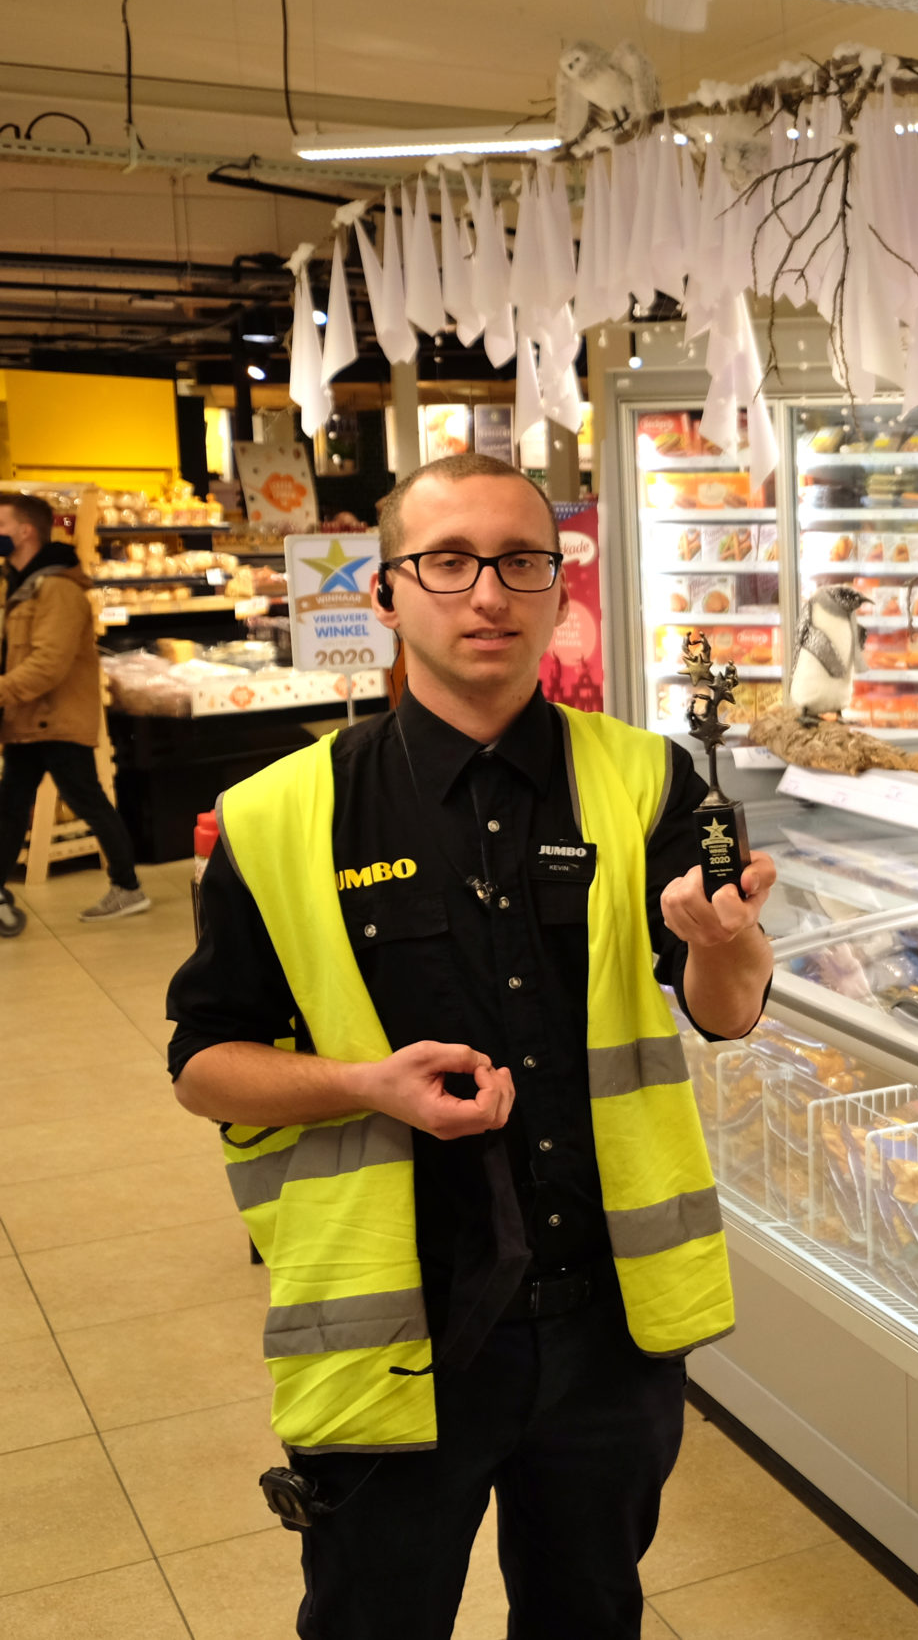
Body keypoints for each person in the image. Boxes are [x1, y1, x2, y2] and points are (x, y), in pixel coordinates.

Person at [167, 451, 775, 1640]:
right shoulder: (281, 812)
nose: (487, 593)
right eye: (447, 563)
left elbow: (723, 1005)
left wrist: (729, 945)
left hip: (608, 1326)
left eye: (520, 562)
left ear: (560, 590)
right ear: (387, 593)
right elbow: (202, 1064)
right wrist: (360, 1085)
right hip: (399, 1327)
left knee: (589, 1613)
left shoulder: (649, 779)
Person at [0, 490, 150, 934]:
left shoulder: (58, 588)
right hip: (31, 719)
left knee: (86, 799)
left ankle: (128, 887)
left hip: (55, 718)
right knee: (11, 807)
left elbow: (48, 663)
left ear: (24, 531)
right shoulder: (23, 582)